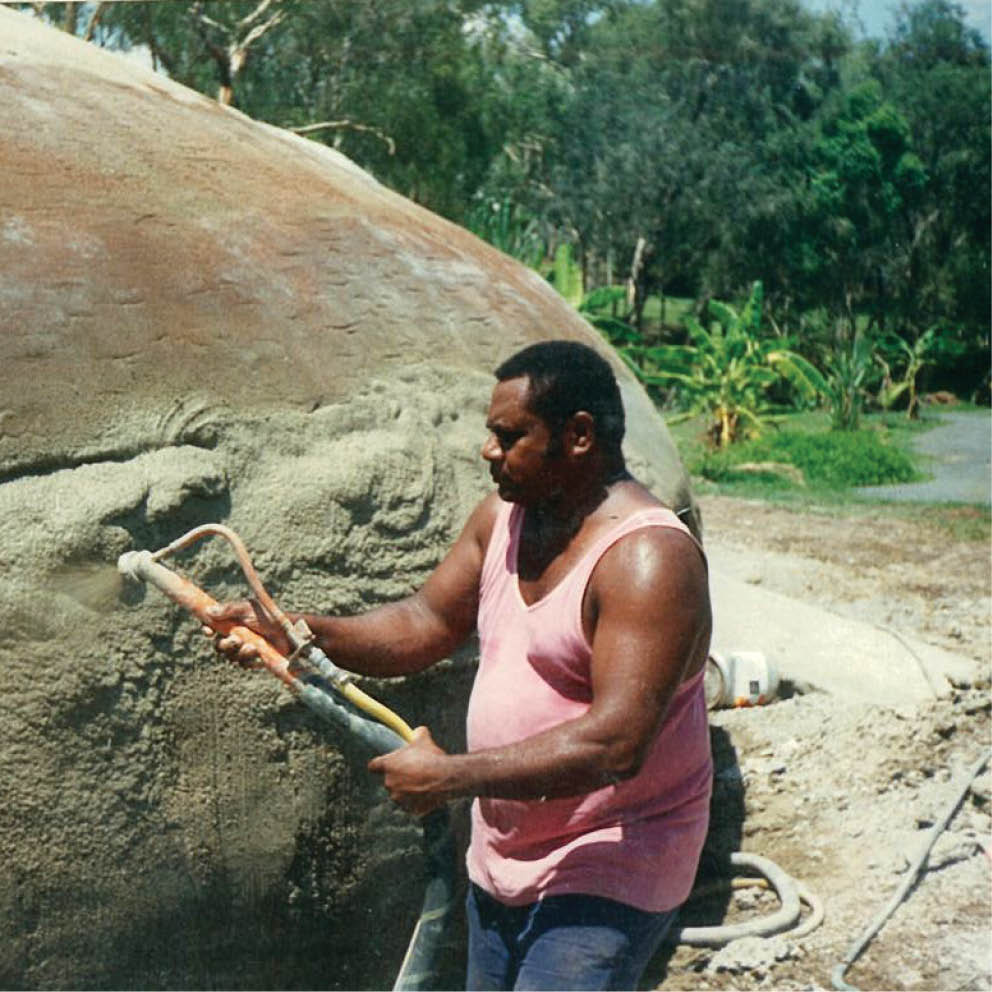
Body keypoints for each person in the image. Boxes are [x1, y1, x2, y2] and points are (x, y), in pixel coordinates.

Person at [209, 340, 713, 991]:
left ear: (579, 436)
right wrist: (297, 633)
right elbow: (425, 623)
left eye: (510, 436)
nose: (488, 451)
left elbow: (617, 744)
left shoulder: (647, 561)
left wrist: (451, 778)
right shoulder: (504, 519)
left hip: (609, 865)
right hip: (505, 857)